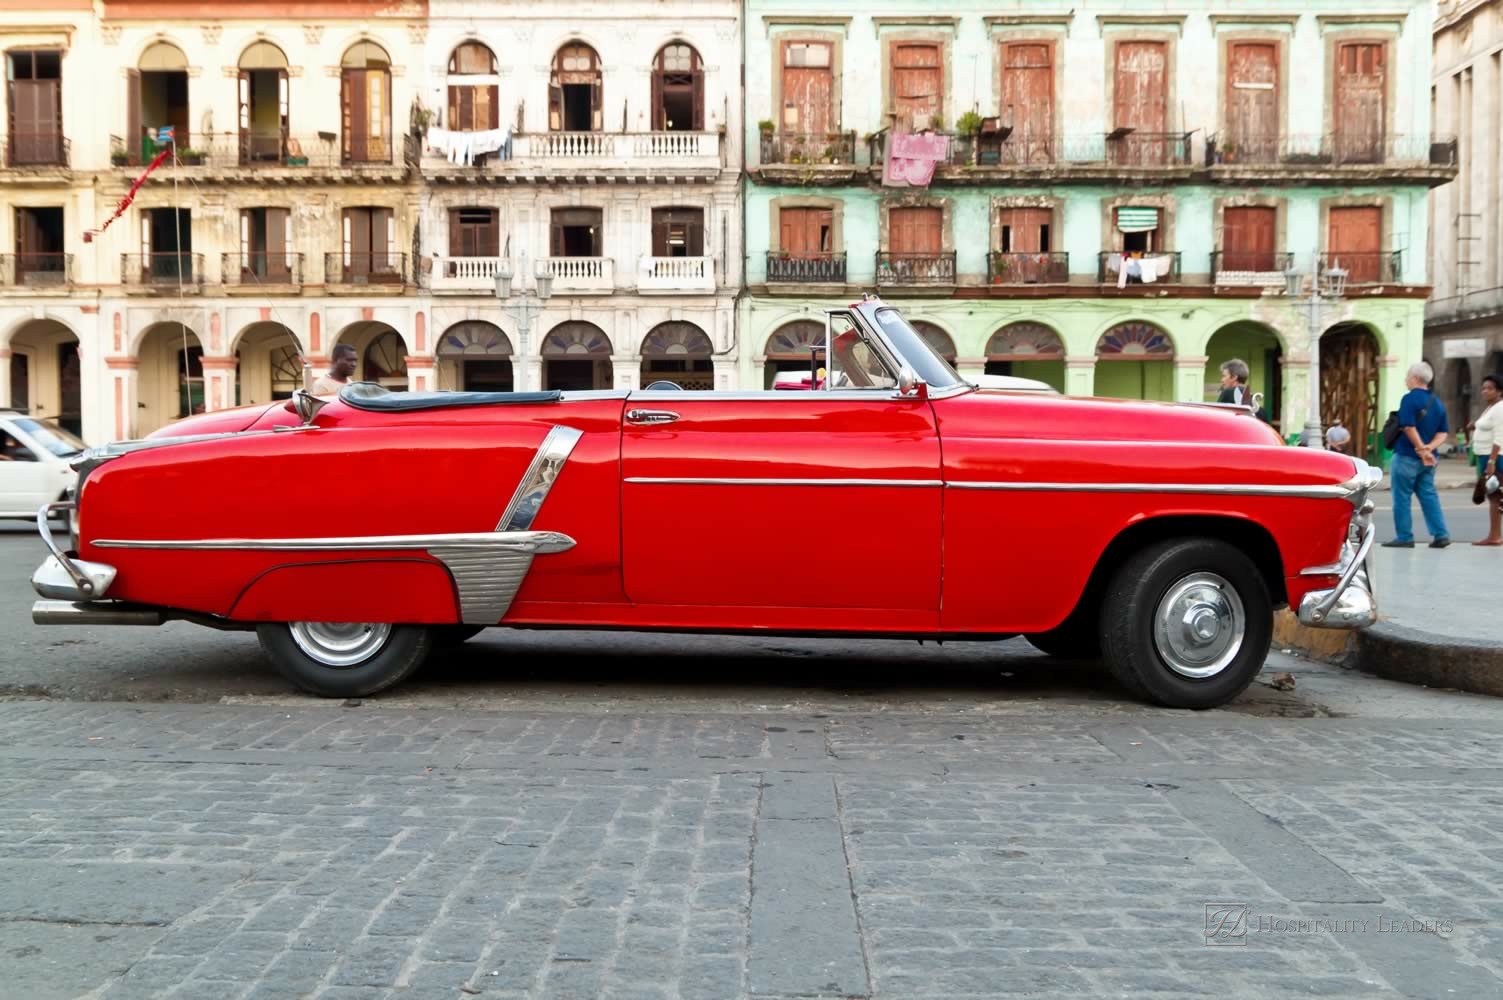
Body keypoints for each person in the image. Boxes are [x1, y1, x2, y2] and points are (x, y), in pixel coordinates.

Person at [1384, 362, 1451, 549]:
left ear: (1415, 379)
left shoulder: (1409, 399)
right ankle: (1441, 534)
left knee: (1401, 498)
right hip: (1430, 460)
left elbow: (1407, 426)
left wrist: (1421, 449)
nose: (1406, 380)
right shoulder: (1437, 402)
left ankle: (1405, 537)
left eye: (1407, 376)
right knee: (1429, 496)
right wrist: (1429, 449)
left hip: (1406, 455)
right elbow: (1443, 433)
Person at [1467, 372, 1503, 546]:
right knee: (1495, 496)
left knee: (1495, 497)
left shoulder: (1500, 407)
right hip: (1484, 455)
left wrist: (1491, 461)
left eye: (1490, 388)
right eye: (1483, 388)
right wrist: (1475, 426)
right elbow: (1488, 427)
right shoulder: (1490, 407)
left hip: (1494, 457)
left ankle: (1494, 536)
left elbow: (1500, 436)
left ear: (1499, 391)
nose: (1485, 391)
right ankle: (1494, 535)